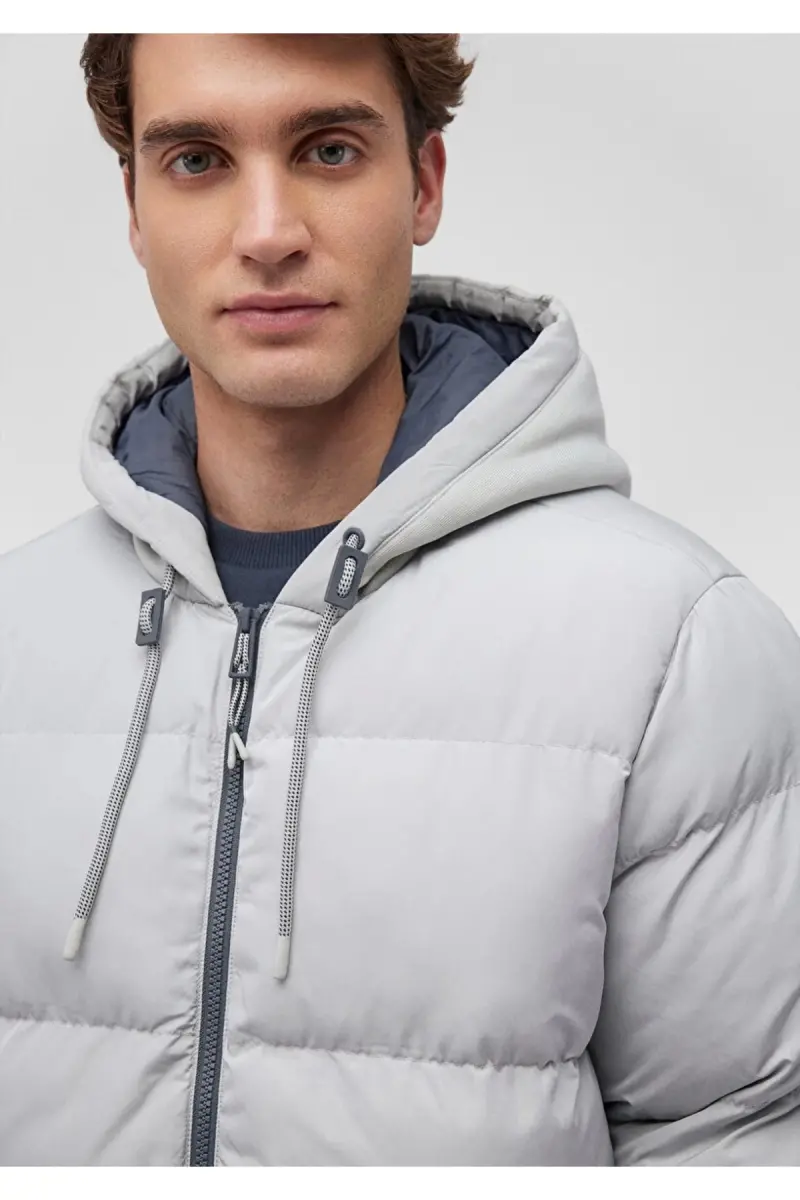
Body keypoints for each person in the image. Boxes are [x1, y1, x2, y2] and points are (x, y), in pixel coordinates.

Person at [1, 31, 799, 1170]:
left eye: (327, 150)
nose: (268, 232)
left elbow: (740, 1141)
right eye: (197, 161)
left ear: (422, 184)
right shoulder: (16, 636)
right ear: (134, 206)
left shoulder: (673, 644)